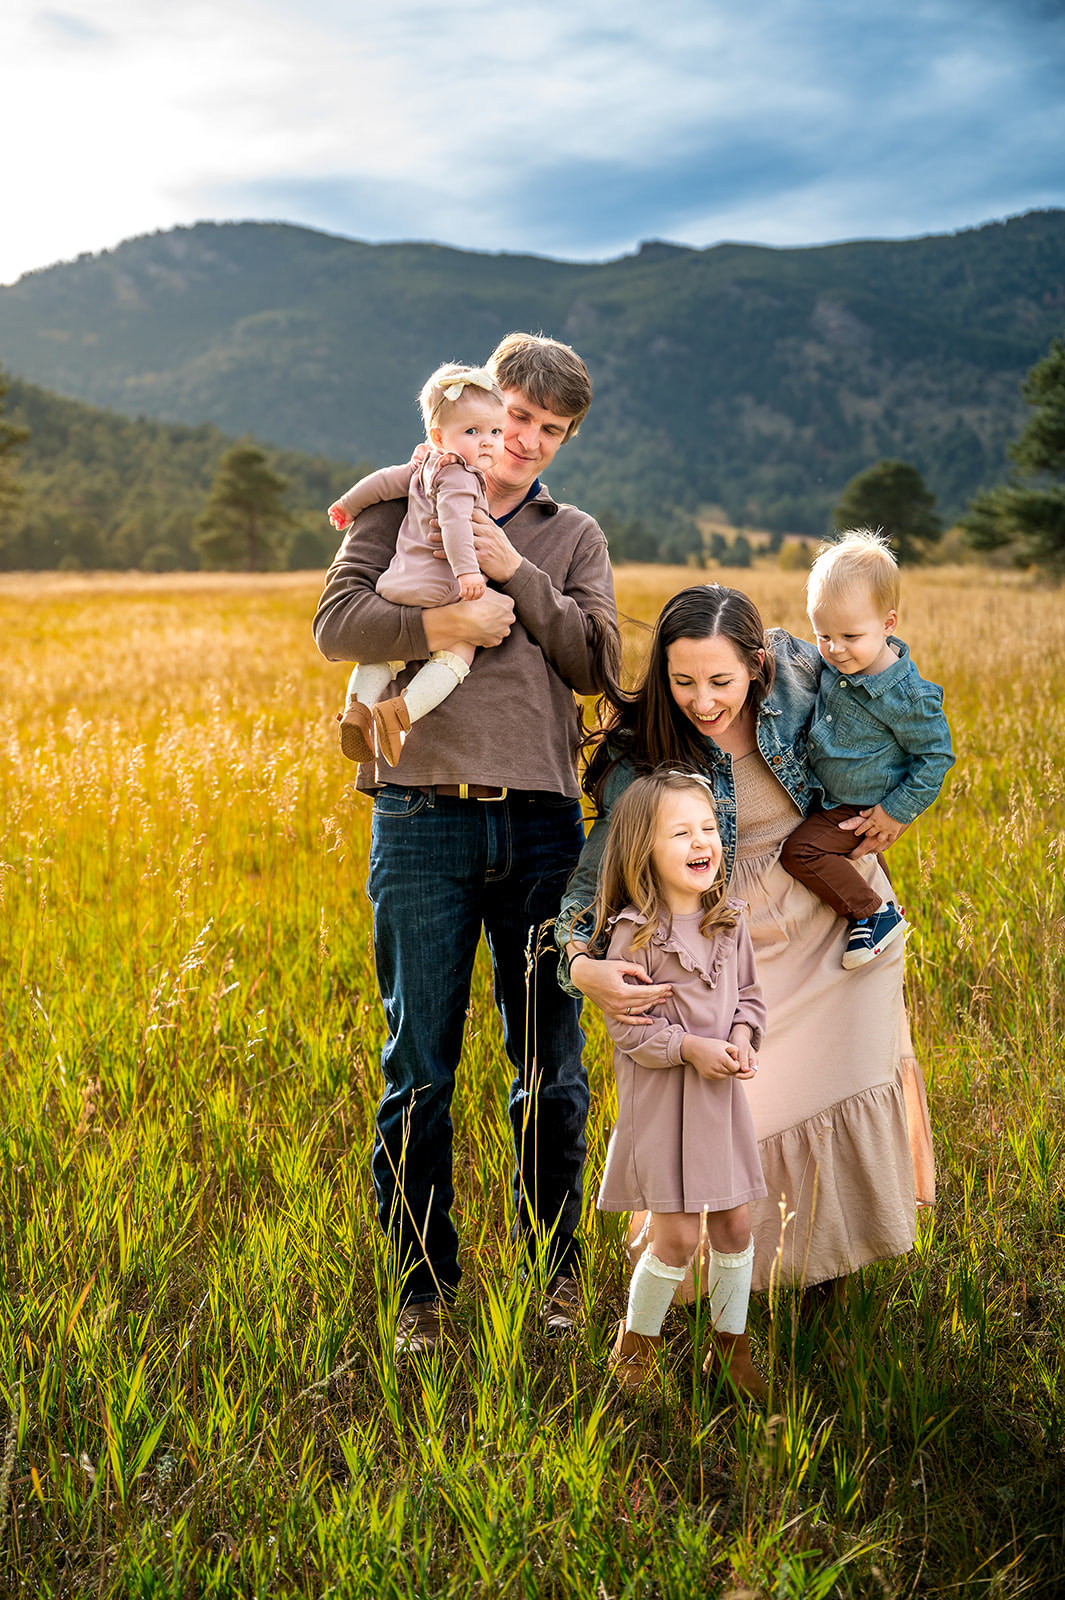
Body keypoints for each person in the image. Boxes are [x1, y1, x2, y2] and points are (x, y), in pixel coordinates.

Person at [314, 332, 619, 1356]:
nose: (524, 441)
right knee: (420, 1070)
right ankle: (421, 1290)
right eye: (517, 417)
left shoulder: (572, 535)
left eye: (549, 431)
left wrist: (513, 571)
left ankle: (555, 1279)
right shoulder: (405, 501)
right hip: (420, 820)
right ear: (485, 405)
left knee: (552, 1067)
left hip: (541, 827)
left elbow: (596, 661)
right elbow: (337, 626)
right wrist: (442, 630)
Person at [557, 584, 934, 1303]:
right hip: (733, 946)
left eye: (721, 681)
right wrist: (579, 962)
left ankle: (824, 1285)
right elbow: (594, 877)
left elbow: (898, 690)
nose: (702, 701)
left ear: (758, 664)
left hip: (840, 925)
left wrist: (896, 804)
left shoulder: (800, 671)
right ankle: (726, 1289)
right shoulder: (645, 755)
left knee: (841, 1088)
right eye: (683, 681)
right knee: (745, 1112)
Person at [589, 770, 770, 1399]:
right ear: (644, 850)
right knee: (677, 1236)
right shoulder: (635, 933)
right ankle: (635, 1346)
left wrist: (742, 1039)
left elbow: (750, 997)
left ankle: (732, 1351)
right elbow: (627, 1030)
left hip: (719, 1103)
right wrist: (691, 1048)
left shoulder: (728, 921)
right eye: (681, 833)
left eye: (709, 828)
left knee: (735, 1227)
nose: (702, 842)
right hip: (664, 1107)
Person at [779, 529, 954, 969]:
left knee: (801, 851)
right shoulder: (838, 664)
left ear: (888, 624)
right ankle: (883, 906)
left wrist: (894, 813)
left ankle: (874, 914)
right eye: (823, 635)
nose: (835, 650)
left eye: (850, 636)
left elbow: (936, 757)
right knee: (864, 864)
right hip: (824, 794)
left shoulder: (907, 696)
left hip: (857, 808)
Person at [328, 365, 506, 767]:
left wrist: (346, 506)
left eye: (496, 431)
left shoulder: (422, 466)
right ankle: (399, 714)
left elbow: (380, 482)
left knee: (382, 655)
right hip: (440, 588)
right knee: (458, 652)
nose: (487, 442)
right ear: (439, 437)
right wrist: (467, 572)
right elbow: (455, 523)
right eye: (473, 431)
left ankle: (358, 709)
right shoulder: (461, 476)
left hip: (396, 585)